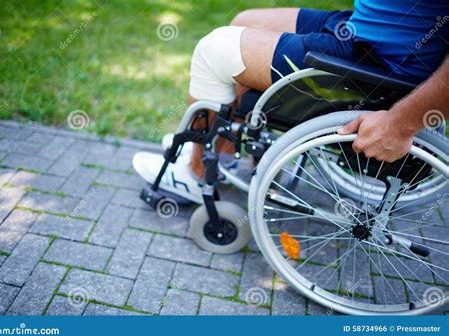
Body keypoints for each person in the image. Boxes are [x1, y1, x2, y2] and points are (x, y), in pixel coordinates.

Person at [134, 0, 449, 204]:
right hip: (361, 30)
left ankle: (197, 173)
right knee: (245, 22)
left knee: (213, 50)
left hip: (376, 62)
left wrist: (400, 123)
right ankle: (226, 156)